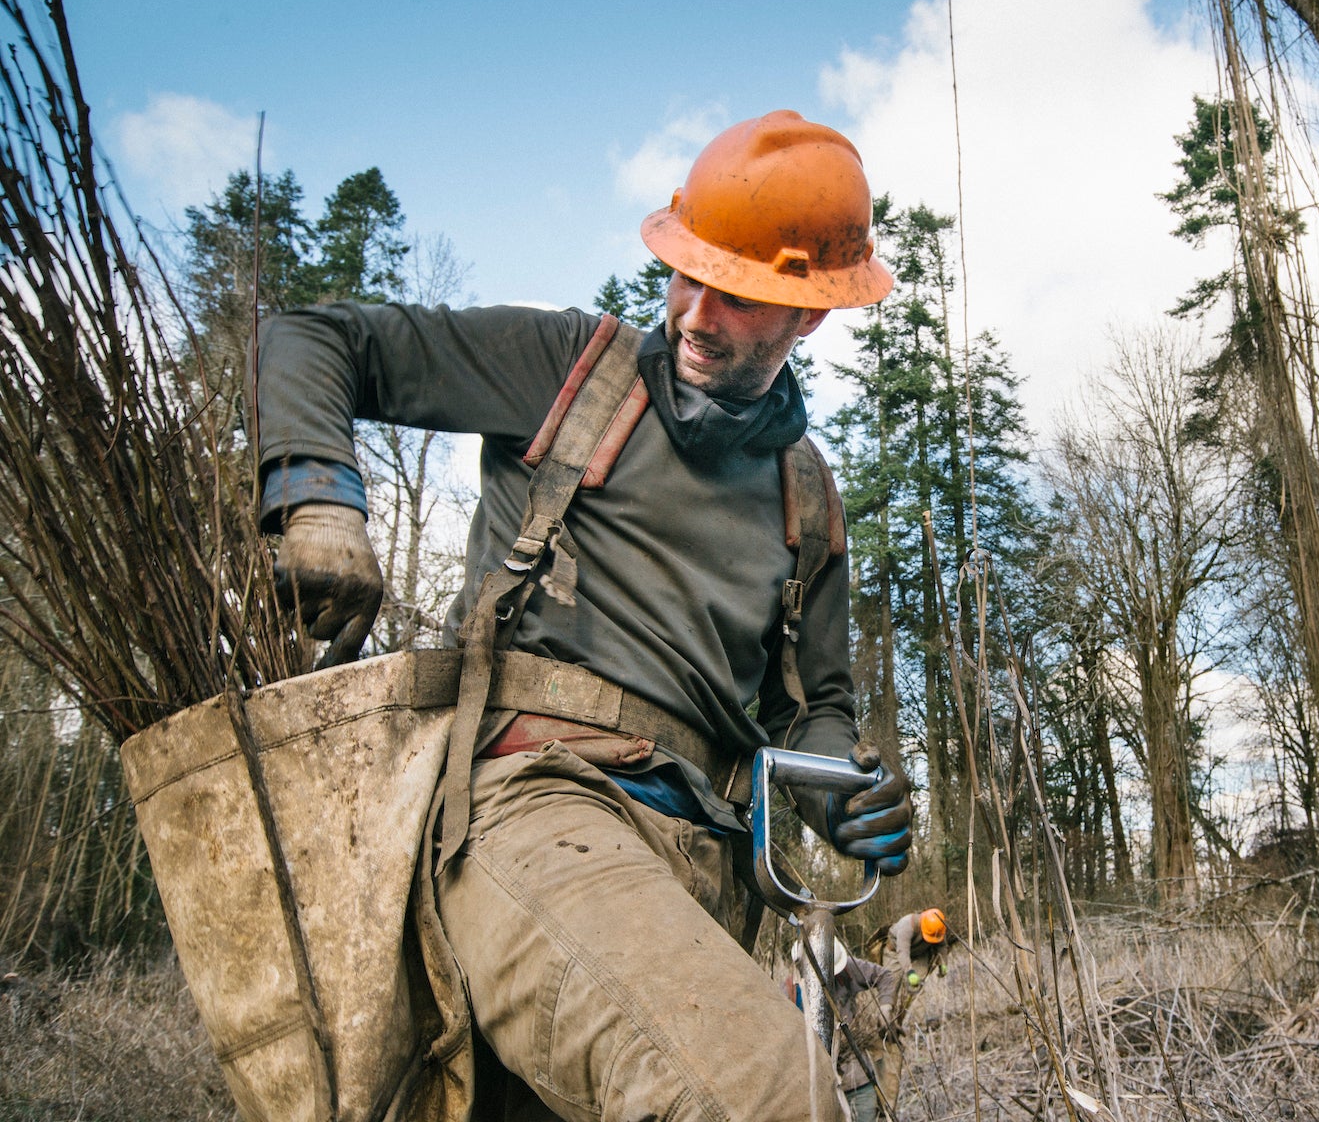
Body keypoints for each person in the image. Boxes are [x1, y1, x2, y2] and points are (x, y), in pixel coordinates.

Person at [255, 110, 914, 1122]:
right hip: (536, 808)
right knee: (780, 1101)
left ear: (807, 316)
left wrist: (842, 791)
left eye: (734, 295)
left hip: (705, 876)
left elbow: (815, 708)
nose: (692, 313)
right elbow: (310, 335)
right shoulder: (570, 368)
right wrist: (319, 499)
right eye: (683, 272)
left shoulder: (809, 499)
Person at [787, 939, 900, 1122]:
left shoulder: (846, 970)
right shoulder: (790, 992)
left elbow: (885, 976)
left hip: (858, 1077)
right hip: (817, 1087)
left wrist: (886, 1007)